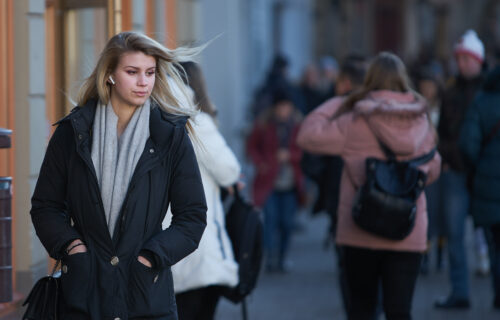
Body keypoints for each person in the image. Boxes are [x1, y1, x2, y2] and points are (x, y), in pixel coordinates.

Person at [30, 31, 207, 320]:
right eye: (132, 72)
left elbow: (192, 217)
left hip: (147, 298)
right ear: (110, 74)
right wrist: (73, 249)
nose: (143, 82)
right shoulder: (72, 133)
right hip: (84, 298)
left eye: (150, 72)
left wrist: (150, 258)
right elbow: (46, 206)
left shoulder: (170, 137)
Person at [297, 52, 441, 320]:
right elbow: (433, 168)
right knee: (400, 311)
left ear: (369, 81)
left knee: (361, 310)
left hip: (360, 226)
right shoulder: (421, 118)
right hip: (407, 228)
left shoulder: (354, 119)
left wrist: (343, 100)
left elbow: (307, 136)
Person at [162, 61, 241, 320]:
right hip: (198, 244)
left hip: (166, 242)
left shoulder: (153, 118)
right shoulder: (196, 123)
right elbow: (229, 170)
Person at [436, 29, 486, 308]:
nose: (463, 64)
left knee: (492, 233)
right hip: (455, 169)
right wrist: (446, 154)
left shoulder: (488, 90)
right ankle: (460, 291)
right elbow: (442, 130)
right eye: (460, 59)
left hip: (484, 172)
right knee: (454, 233)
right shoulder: (451, 91)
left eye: (467, 59)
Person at [247, 90, 304, 273]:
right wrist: (261, 163)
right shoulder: (264, 124)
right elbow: (251, 147)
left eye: (286, 107)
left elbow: (304, 150)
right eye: (280, 106)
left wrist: (291, 156)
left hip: (290, 182)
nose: (283, 110)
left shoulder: (297, 125)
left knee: (287, 223)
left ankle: (282, 256)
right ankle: (270, 257)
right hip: (268, 181)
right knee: (270, 220)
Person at [460, 65, 500, 310]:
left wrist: (479, 165)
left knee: (495, 242)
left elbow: (467, 143)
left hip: (487, 184)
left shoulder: (481, 101)